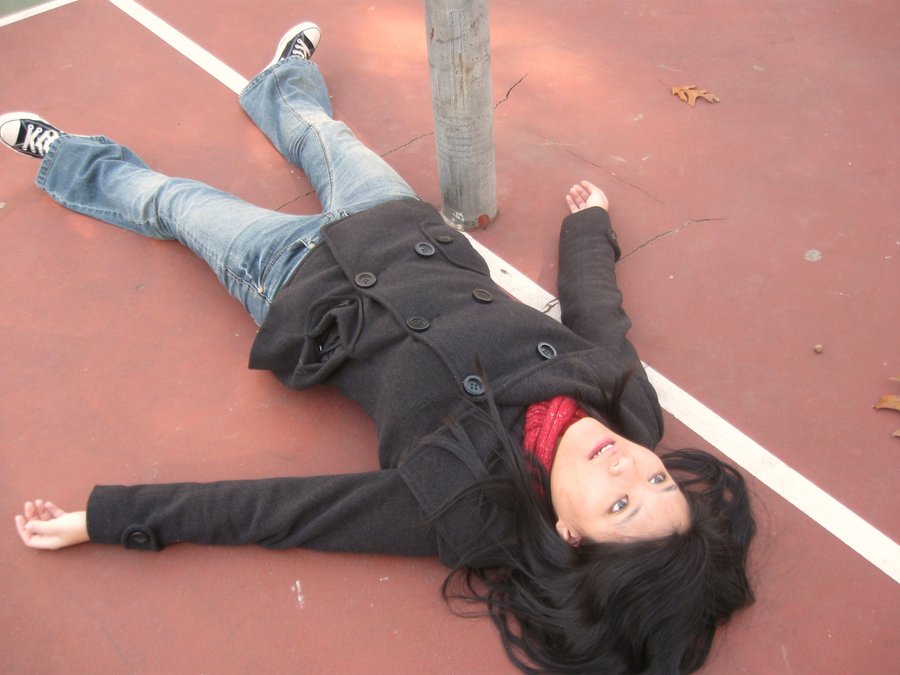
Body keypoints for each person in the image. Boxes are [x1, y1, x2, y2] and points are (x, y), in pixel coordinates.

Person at [4, 22, 755, 673]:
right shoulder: (628, 405)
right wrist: (590, 227)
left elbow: (288, 511)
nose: (629, 467)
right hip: (399, 227)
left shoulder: (465, 508)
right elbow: (600, 313)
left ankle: (70, 159)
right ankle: (282, 82)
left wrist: (106, 518)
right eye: (659, 482)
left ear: (570, 536)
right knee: (322, 133)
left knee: (174, 201)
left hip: (297, 284)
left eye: (619, 504)